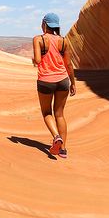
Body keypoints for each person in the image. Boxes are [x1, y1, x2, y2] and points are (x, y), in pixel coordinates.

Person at [32, 12, 76, 158]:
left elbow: (38, 60)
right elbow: (68, 64)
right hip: (63, 80)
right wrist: (73, 83)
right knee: (60, 114)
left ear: (44, 24)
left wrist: (34, 59)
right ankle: (63, 149)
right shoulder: (63, 41)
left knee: (46, 113)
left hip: (46, 81)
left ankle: (56, 136)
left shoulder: (38, 39)